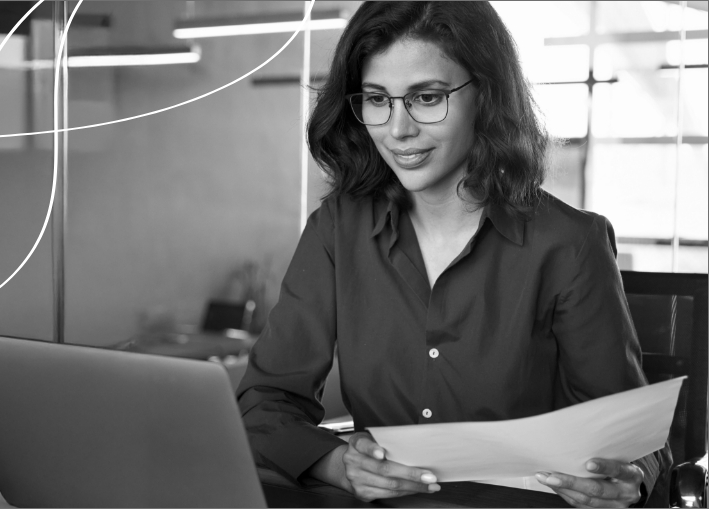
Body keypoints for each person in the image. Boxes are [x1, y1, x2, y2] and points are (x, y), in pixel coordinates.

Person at [236, 2, 669, 507]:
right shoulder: (337, 230)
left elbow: (632, 444)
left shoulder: (571, 244)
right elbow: (266, 402)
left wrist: (626, 479)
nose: (397, 130)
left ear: (485, 95)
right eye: (377, 99)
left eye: (427, 97)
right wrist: (338, 466)